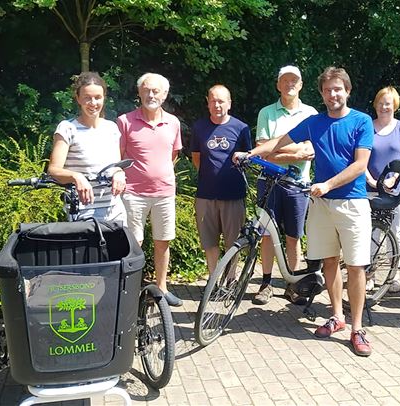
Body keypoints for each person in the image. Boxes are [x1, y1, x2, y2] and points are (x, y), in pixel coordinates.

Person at [235, 66, 374, 357]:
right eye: (327, 90)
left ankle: (357, 328)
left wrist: (328, 184)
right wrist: (251, 154)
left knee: (357, 266)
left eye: (338, 89)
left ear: (347, 91)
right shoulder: (314, 121)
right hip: (321, 203)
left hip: (352, 202)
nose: (333, 94)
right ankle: (337, 316)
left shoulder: (361, 121)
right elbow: (278, 142)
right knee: (329, 262)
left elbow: (360, 165)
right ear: (321, 93)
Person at [253, 65, 318, 305]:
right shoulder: (266, 113)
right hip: (268, 182)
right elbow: (262, 150)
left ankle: (292, 285)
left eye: (294, 80)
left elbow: (310, 150)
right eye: (285, 80)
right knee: (267, 236)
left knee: (293, 237)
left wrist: (276, 147)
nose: (290, 84)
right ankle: (266, 284)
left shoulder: (311, 113)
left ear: (301, 85)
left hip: (298, 186)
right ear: (278, 84)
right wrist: (296, 150)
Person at [117, 73, 183, 307]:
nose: (151, 94)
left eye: (156, 91)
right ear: (139, 93)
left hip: (164, 193)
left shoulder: (173, 123)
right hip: (133, 193)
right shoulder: (125, 121)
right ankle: (133, 292)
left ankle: (162, 289)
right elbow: (119, 156)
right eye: (146, 90)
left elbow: (173, 155)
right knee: (133, 244)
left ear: (165, 95)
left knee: (163, 241)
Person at [48, 71, 126, 222]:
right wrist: (76, 177)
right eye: (87, 98)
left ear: (104, 98)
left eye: (98, 97)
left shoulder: (112, 128)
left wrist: (119, 173)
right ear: (78, 99)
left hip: (115, 209)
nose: (93, 103)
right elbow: (53, 170)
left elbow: (116, 166)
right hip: (83, 211)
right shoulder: (67, 128)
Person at [191, 85, 251, 275]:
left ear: (229, 103)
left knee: (233, 241)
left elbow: (247, 158)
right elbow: (196, 157)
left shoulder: (241, 128)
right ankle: (213, 279)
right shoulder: (199, 127)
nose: (217, 105)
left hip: (233, 195)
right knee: (209, 241)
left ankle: (231, 279)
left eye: (221, 101)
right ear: (207, 103)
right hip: (206, 195)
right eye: (213, 101)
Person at [366, 86, 400, 293]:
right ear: (375, 104)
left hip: (397, 190)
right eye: (380, 103)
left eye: (388, 103)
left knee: (395, 231)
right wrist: (370, 180)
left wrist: (394, 178)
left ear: (394, 105)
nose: (384, 107)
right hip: (369, 187)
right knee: (371, 232)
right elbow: (359, 157)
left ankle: (394, 275)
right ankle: (369, 274)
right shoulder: (367, 126)